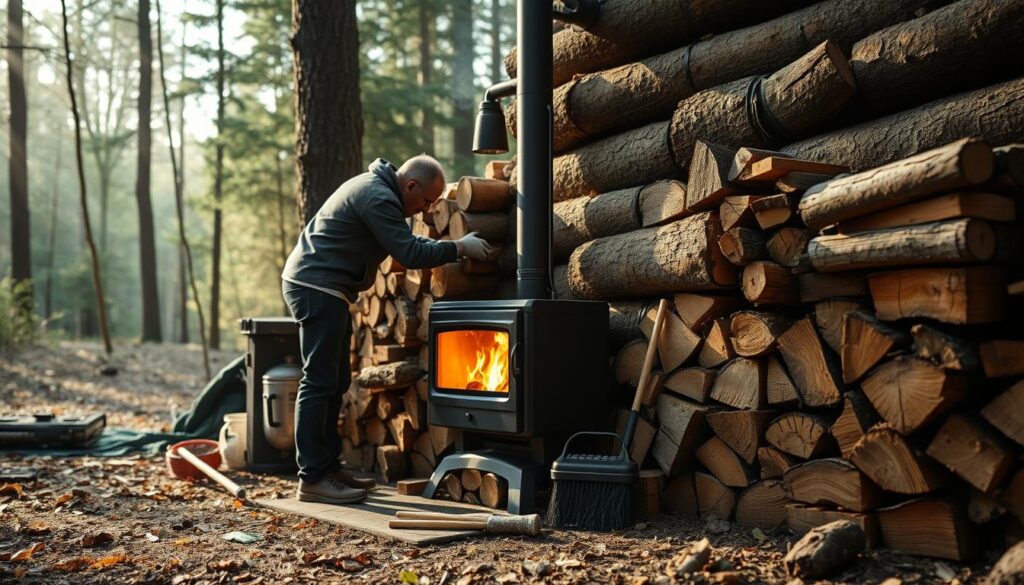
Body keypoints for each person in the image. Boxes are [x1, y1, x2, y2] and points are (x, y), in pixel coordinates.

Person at [281, 155, 494, 504]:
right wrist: (459, 247)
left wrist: (454, 247)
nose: (424, 210)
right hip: (315, 286)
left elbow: (412, 244)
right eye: (426, 201)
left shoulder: (382, 191)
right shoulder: (378, 197)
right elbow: (409, 252)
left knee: (335, 381)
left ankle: (328, 468)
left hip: (325, 287)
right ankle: (313, 479)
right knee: (319, 382)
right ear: (410, 185)